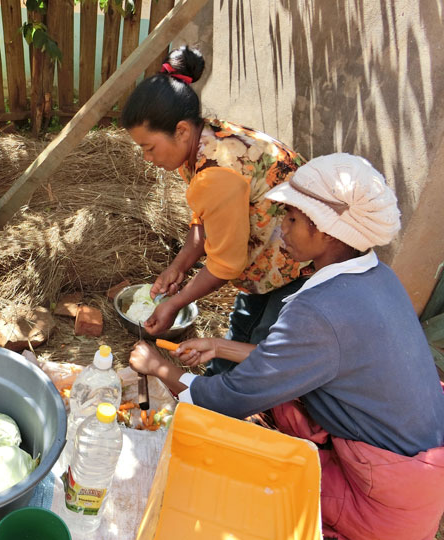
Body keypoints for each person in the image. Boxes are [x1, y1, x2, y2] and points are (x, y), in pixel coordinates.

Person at [129, 153, 444, 539]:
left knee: (259, 502)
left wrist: (158, 367)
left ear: (326, 231)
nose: (282, 232)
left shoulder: (321, 310)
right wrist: (220, 346)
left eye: (292, 220)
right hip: (418, 473)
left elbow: (232, 398)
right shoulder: (378, 278)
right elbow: (313, 361)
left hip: (382, 501)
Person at [121, 45, 311, 375]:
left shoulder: (216, 172)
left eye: (149, 147)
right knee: (241, 331)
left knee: (265, 355)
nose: (147, 158)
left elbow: (227, 263)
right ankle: (216, 387)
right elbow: (206, 218)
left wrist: (174, 303)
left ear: (180, 130)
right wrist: (179, 267)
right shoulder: (202, 140)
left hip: (303, 265)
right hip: (271, 259)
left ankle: (228, 408)